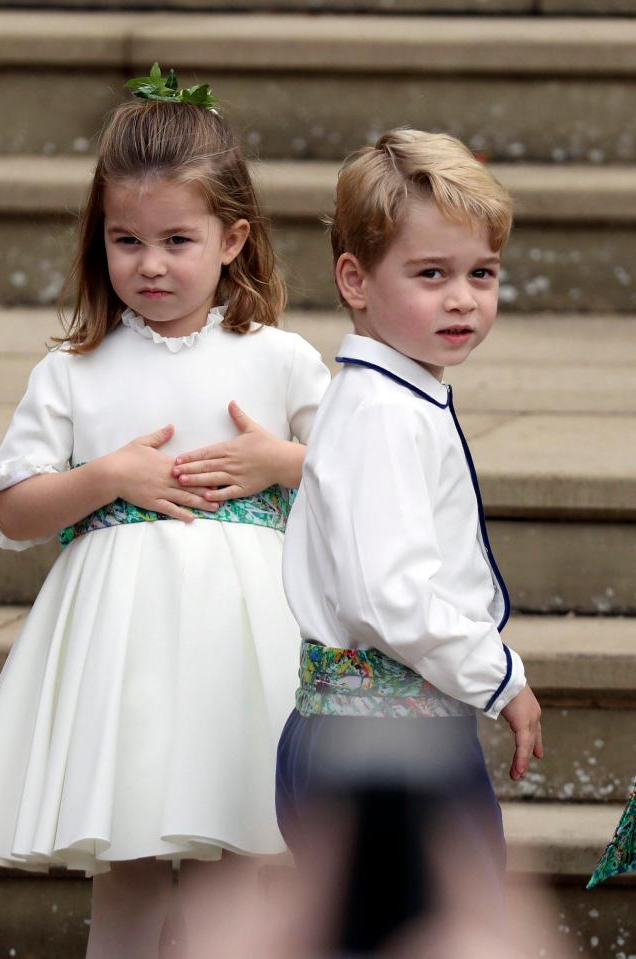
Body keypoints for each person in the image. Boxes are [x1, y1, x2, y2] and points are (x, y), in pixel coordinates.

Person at [0, 66, 330, 957]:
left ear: (233, 238)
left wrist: (280, 460)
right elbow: (16, 509)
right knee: (132, 858)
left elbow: (359, 474)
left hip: (243, 643)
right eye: (126, 240)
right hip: (123, 655)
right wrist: (108, 476)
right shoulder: (74, 370)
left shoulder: (277, 358)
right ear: (99, 238)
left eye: (176, 240)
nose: (149, 264)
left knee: (238, 850)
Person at [276, 129, 544, 936]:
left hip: (374, 728)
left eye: (480, 274)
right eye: (431, 275)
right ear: (354, 280)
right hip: (385, 741)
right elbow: (390, 593)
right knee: (441, 936)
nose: (461, 298)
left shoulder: (388, 397)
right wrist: (498, 674)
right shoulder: (386, 413)